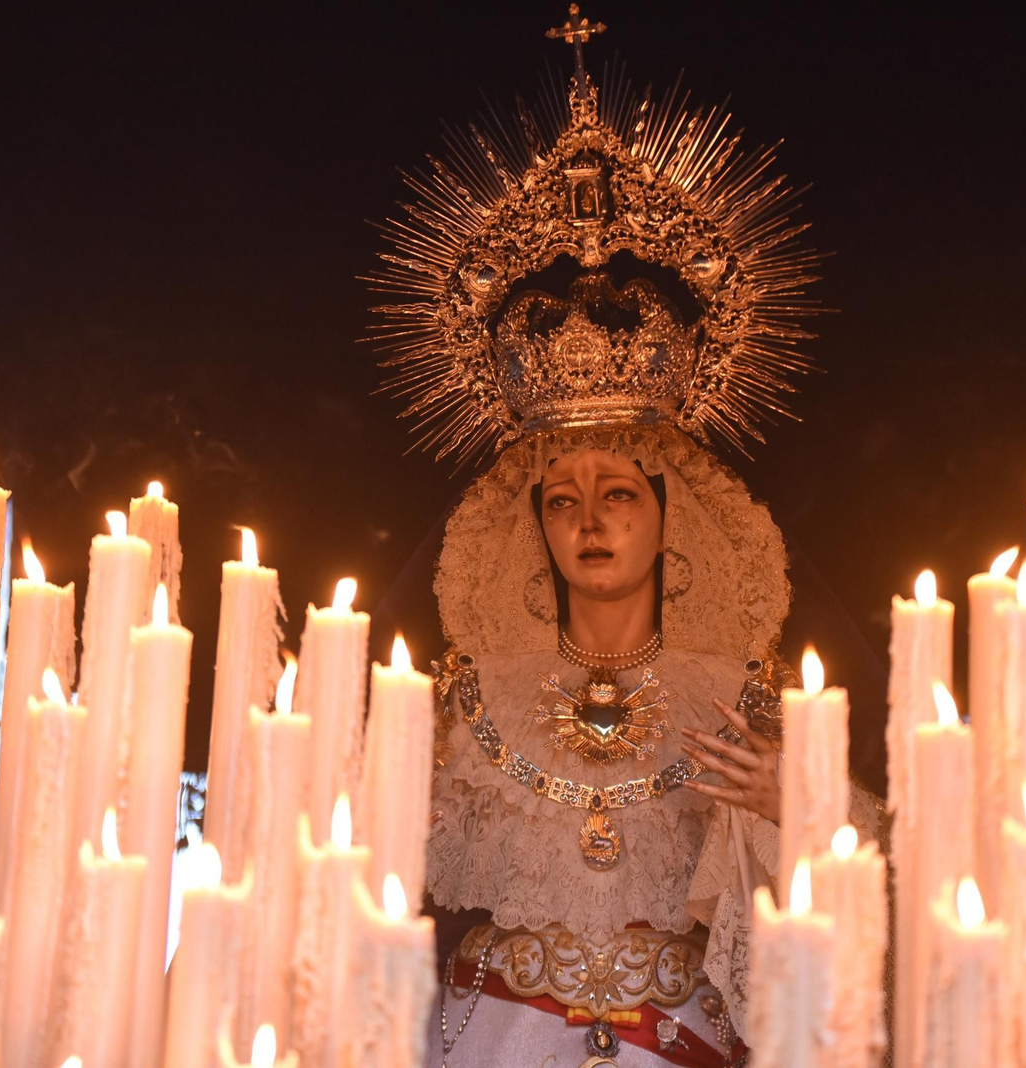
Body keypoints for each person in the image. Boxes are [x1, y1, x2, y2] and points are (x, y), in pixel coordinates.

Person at [368, 10, 882, 1065]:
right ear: (532, 527)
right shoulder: (469, 699)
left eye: (618, 494)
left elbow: (877, 885)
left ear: (671, 515)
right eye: (561, 498)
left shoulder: (742, 701)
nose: (589, 520)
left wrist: (801, 803)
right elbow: (356, 872)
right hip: (496, 1040)